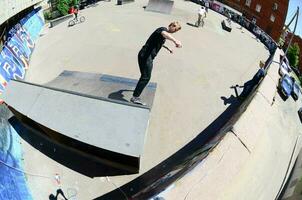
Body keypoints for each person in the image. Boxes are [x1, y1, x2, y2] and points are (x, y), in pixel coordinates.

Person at [131, 22, 182, 105]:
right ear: (171, 25)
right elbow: (164, 33)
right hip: (146, 56)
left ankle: (137, 91)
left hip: (143, 55)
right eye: (174, 29)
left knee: (144, 76)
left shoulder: (163, 36)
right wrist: (175, 41)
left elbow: (160, 43)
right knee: (146, 77)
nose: (174, 31)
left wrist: (168, 48)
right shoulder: (162, 29)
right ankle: (135, 97)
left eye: (176, 31)